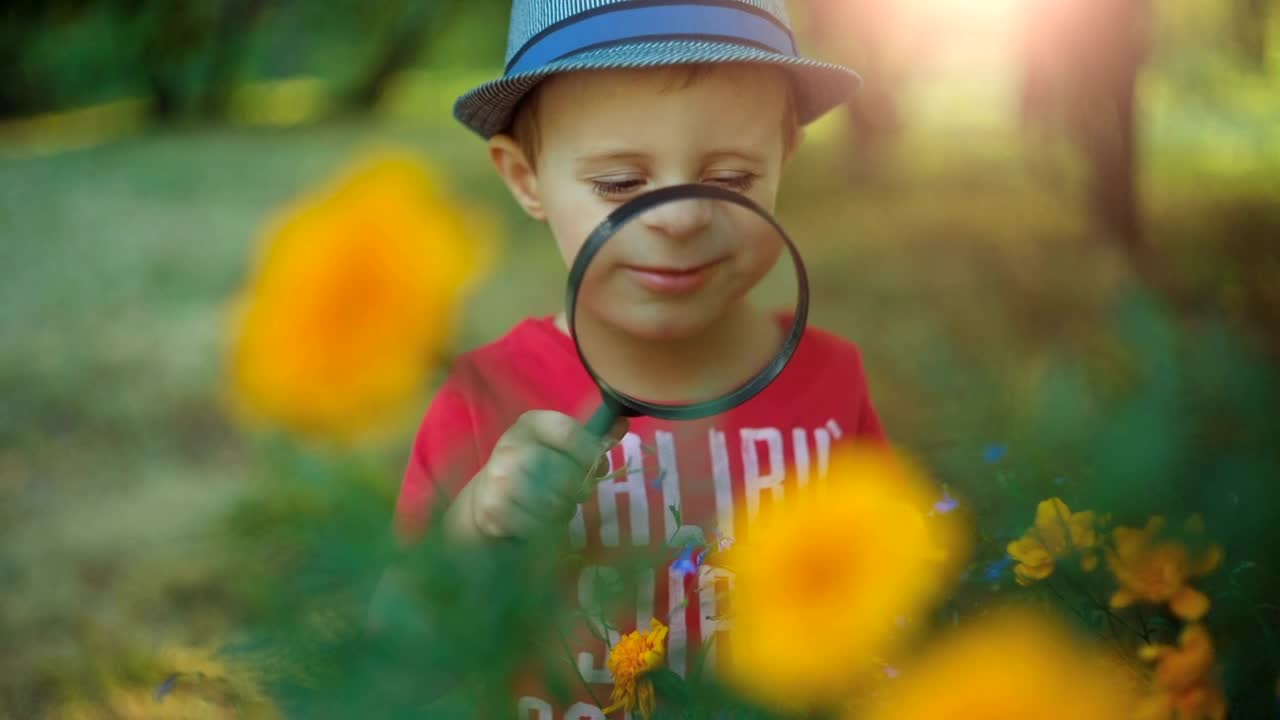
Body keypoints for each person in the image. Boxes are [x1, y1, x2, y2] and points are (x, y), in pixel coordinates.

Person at [379, 1, 886, 716]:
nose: (678, 218)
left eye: (734, 179)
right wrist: (475, 529)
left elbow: (893, 608)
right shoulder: (484, 396)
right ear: (525, 179)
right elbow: (394, 643)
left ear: (785, 159)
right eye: (620, 184)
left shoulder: (834, 380)